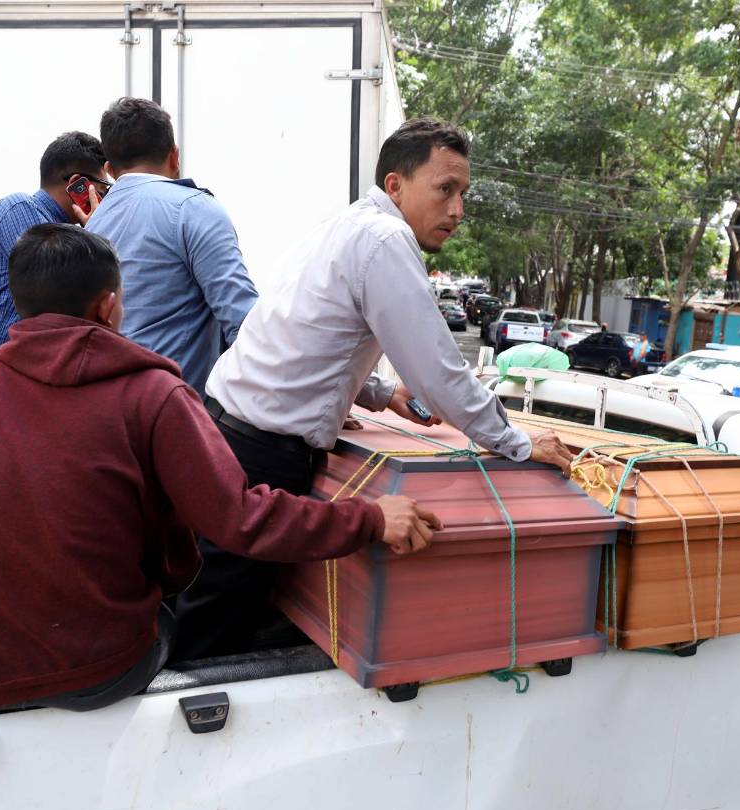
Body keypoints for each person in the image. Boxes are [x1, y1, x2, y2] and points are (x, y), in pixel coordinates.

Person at [0, 223, 440, 788]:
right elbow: (243, 519)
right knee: (208, 611)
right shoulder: (154, 395)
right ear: (110, 305)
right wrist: (371, 518)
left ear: (19, 304)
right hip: (104, 671)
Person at [174, 117, 575, 661]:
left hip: (227, 424)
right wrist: (518, 442)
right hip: (261, 452)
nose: (457, 210)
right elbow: (438, 370)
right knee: (217, 626)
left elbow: (314, 335)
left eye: (463, 194)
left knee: (219, 602)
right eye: (444, 190)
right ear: (395, 185)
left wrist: (380, 393)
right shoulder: (385, 239)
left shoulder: (349, 225)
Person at [87, 97, 257, 397]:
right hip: (171, 412)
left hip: (105, 405)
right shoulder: (194, 209)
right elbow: (244, 323)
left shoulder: (95, 221)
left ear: (109, 169)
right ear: (174, 156)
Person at [0, 131, 110, 369]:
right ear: (77, 183)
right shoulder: (20, 207)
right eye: (103, 188)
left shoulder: (68, 233)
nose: (105, 198)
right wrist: (98, 227)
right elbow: (66, 289)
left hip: (5, 379)